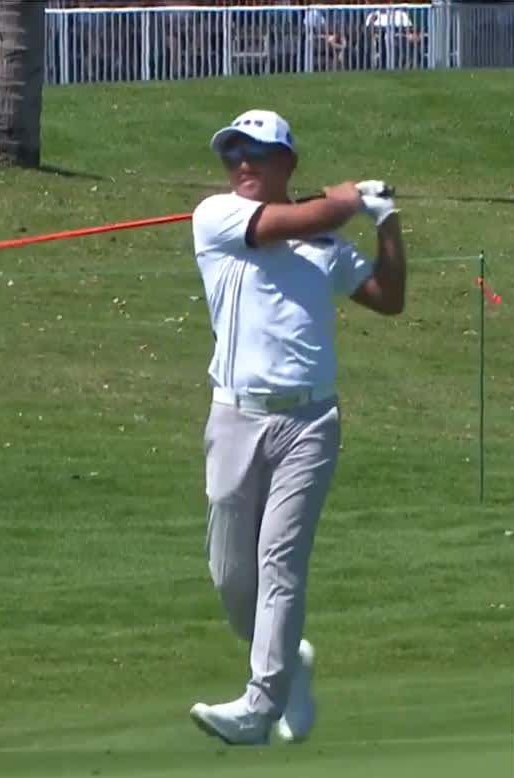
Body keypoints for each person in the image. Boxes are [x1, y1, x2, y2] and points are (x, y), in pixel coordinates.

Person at [187, 109, 406, 745]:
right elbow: (300, 219)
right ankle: (290, 663)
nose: (242, 165)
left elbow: (389, 298)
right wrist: (346, 200)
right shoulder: (216, 216)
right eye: (232, 154)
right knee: (232, 579)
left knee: (279, 560)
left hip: (309, 424)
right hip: (234, 418)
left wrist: (386, 220)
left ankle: (260, 708)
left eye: (255, 153)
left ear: (287, 162)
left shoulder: (324, 247)